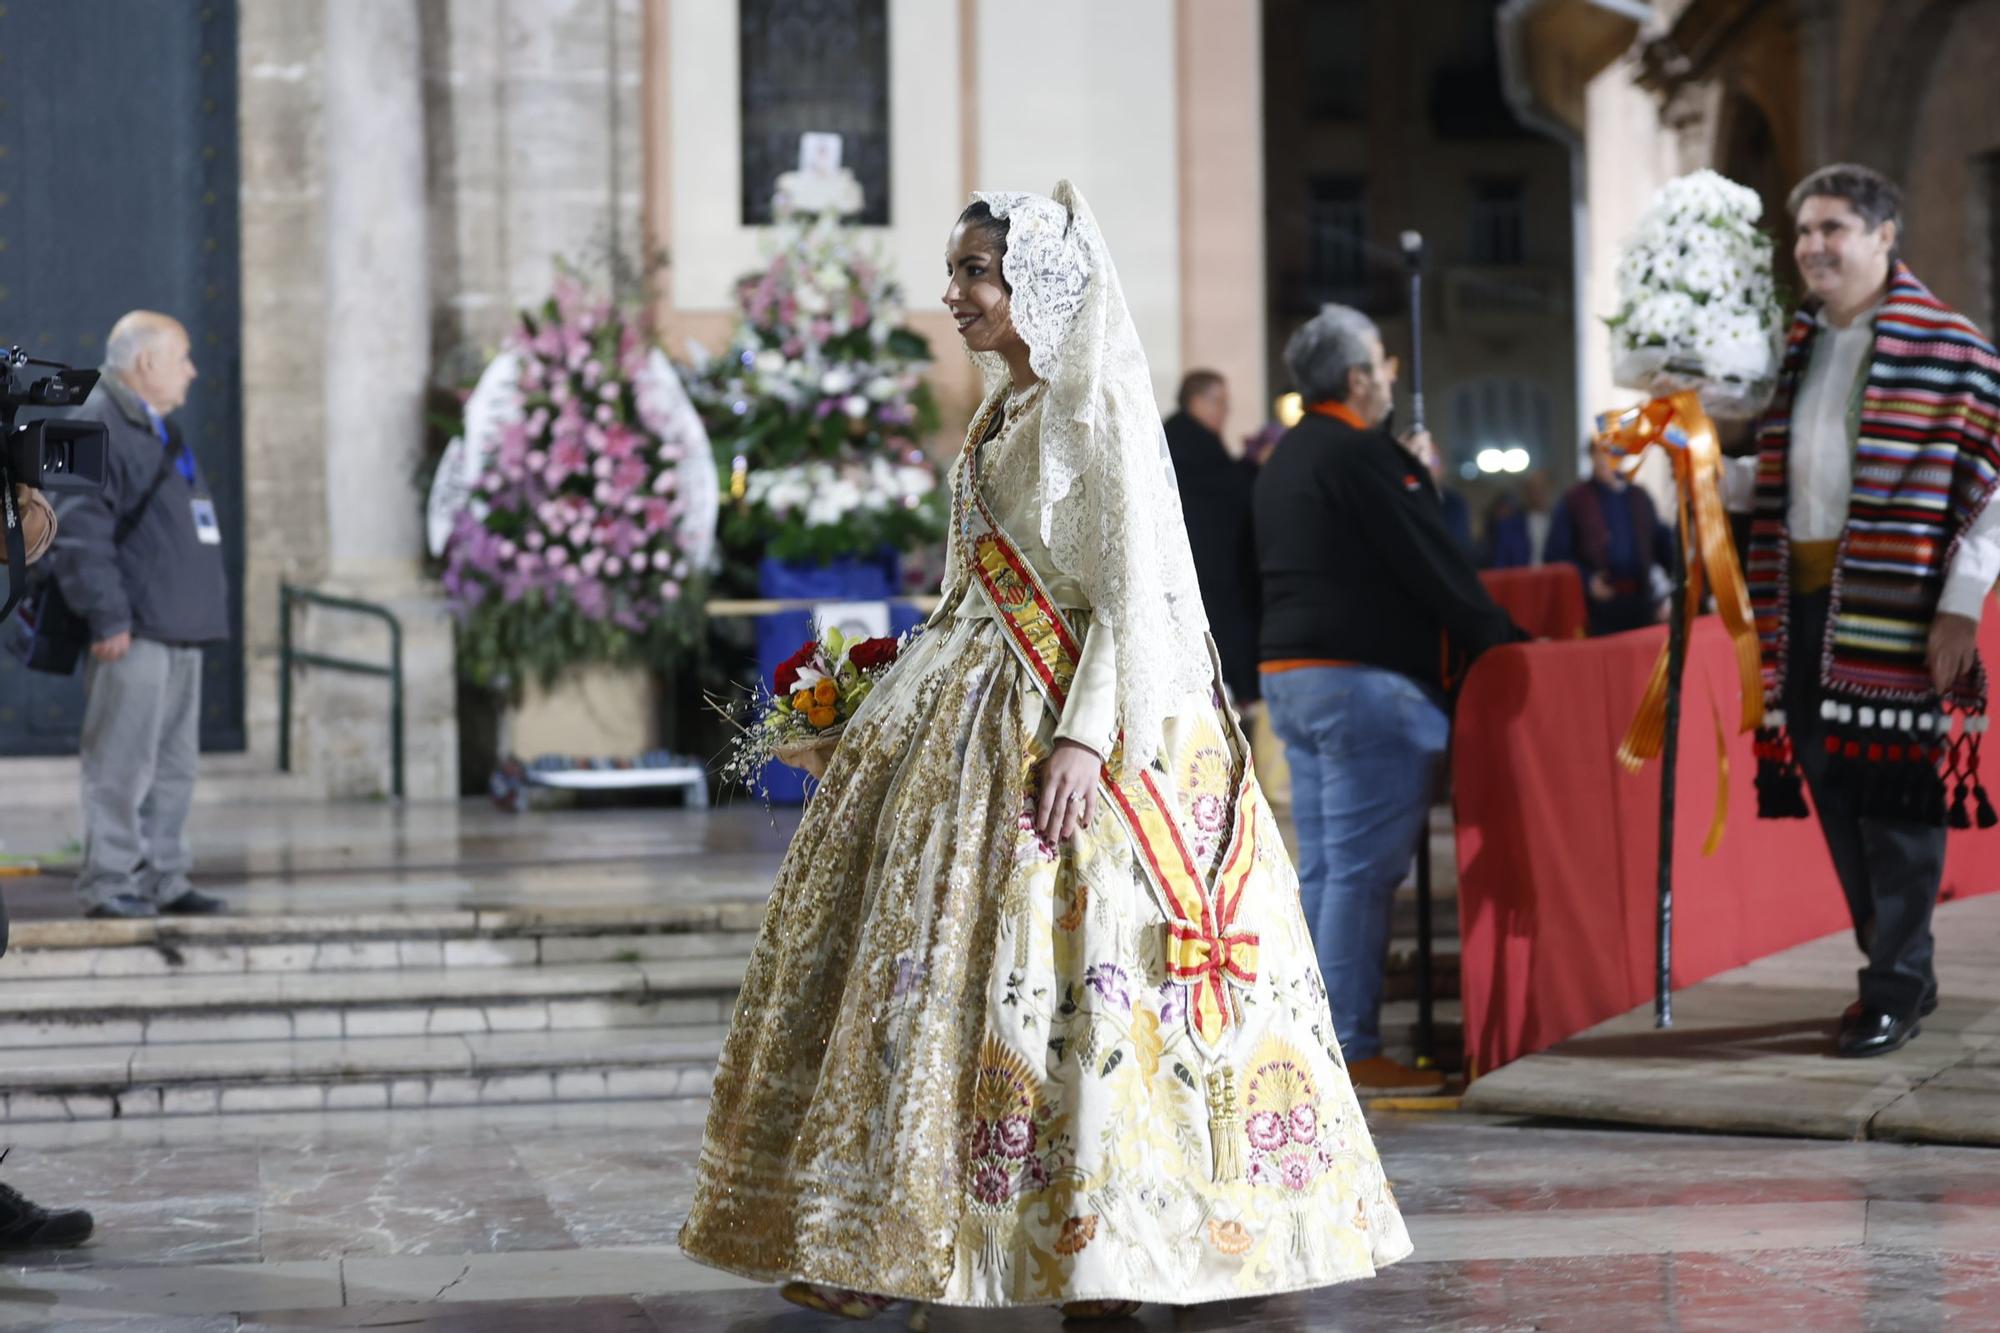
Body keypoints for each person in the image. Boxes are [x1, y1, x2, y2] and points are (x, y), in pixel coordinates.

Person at [679, 184, 1410, 1320]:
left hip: (1072, 724)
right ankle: (883, 1237)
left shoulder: (1092, 412)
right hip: (966, 712)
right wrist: (874, 704)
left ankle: (1100, 1251)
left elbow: (1127, 596)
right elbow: (970, 584)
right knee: (928, 983)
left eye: (976, 272)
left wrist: (1081, 737)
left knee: (1084, 989)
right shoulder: (1001, 412)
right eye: (958, 269)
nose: (955, 292)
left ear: (1038, 288)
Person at [1727, 165, 2000, 1059]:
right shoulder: (1792, 348)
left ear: (1886, 236)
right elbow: (1781, 477)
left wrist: (1962, 608)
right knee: (1828, 779)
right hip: (1799, 602)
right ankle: (1900, 968)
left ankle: (1890, 984)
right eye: (1804, 230)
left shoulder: (1951, 348)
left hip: (1898, 604)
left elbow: (1993, 491)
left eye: (1834, 227)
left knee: (1894, 796)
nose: (1814, 246)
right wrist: (1691, 459)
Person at [1255, 304, 1523, 1096]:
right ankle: (1348, 1041)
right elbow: (1430, 562)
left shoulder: (1289, 454)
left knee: (1330, 867)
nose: (1388, 377)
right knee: (1364, 874)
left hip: (1292, 675)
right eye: (1382, 364)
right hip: (1364, 681)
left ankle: (1310, 1035)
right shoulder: (1363, 454)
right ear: (1357, 378)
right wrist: (1506, 641)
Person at [49, 312, 229, 920]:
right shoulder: (91, 420)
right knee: (121, 764)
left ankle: (164, 878)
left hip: (179, 625)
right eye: (181, 357)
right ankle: (110, 882)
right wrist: (107, 617)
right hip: (134, 630)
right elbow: (74, 532)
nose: (192, 371)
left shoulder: (156, 427)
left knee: (174, 766)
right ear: (146, 363)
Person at [1164, 369, 1260, 707]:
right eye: (1219, 402)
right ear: (1196, 400)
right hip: (1206, 573)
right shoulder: (1187, 441)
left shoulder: (1187, 438)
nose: (1225, 411)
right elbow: (1229, 492)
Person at [1545, 450, 1675, 635]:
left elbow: (1663, 547)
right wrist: (1587, 580)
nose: (1607, 460)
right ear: (1592, 456)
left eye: (1613, 453)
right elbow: (1555, 555)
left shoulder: (1640, 497)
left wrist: (1672, 594)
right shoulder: (1574, 499)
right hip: (1596, 608)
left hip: (1641, 603)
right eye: (1601, 452)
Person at [1483, 470, 1552, 569]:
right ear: (1526, 492)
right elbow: (1500, 564)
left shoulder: (1559, 524)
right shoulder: (1508, 526)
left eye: (1542, 488)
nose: (1538, 493)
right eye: (1533, 489)